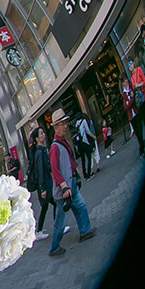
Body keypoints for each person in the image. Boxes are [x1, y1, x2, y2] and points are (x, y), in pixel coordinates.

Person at [47, 110, 96, 257]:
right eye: (61, 124)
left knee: (80, 206)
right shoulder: (55, 147)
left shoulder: (63, 141)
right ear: (55, 127)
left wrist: (76, 171)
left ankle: (85, 231)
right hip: (65, 190)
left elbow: (69, 159)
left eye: (65, 123)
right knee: (60, 223)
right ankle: (54, 248)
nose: (65, 126)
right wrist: (63, 186)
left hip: (71, 185)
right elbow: (54, 170)